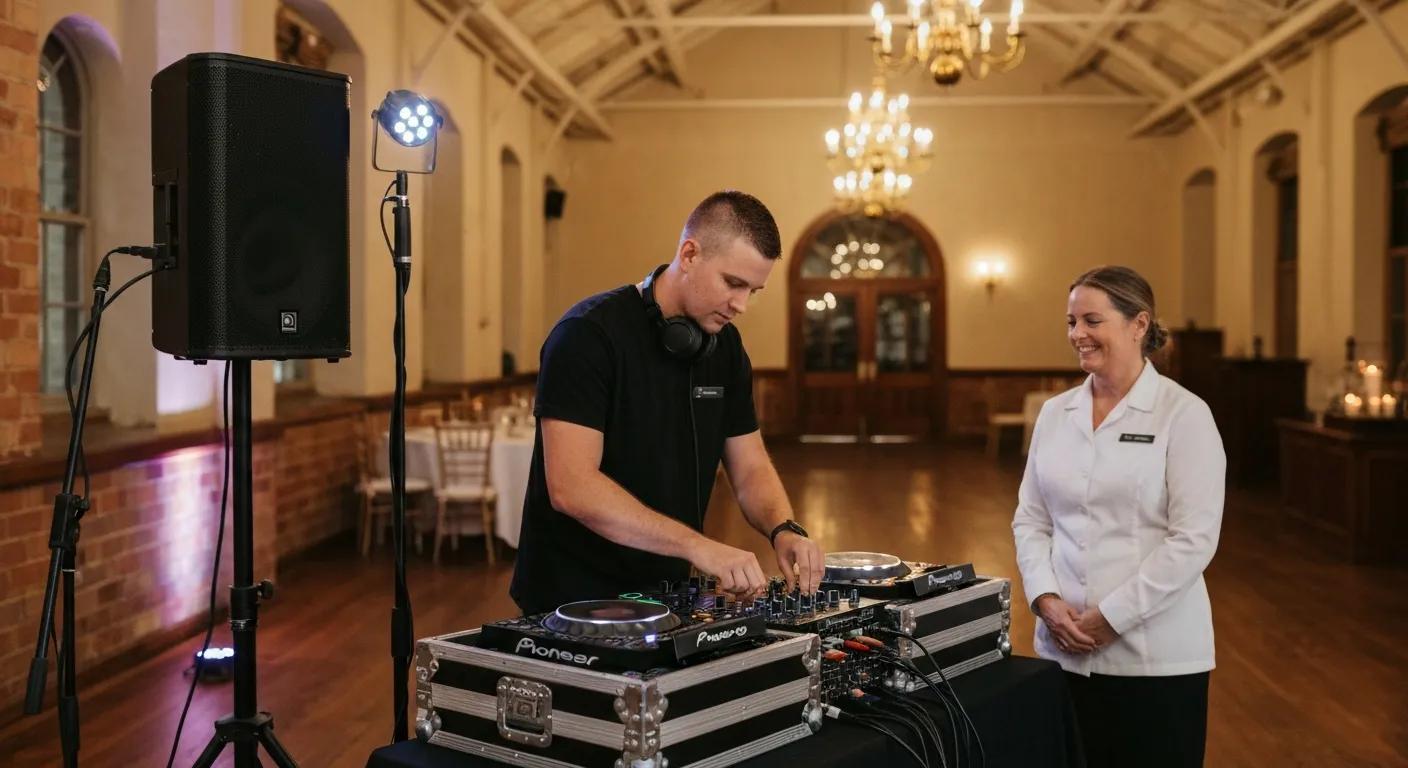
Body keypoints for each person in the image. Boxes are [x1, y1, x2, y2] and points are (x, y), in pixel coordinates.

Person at [510, 190, 825, 616]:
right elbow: (572, 488)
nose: (742, 305)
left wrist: (783, 529)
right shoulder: (587, 335)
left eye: (754, 290)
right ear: (690, 254)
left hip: (666, 594)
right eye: (733, 283)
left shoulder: (726, 348)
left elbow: (749, 467)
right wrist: (697, 546)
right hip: (572, 598)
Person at [1011, 266, 1225, 768]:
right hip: (1061, 650)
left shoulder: (1184, 414)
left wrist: (1113, 617)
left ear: (1138, 324)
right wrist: (1044, 599)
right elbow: (1031, 520)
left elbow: (1193, 539)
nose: (1077, 335)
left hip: (1157, 659)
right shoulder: (1054, 413)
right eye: (1070, 322)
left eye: (1091, 320)